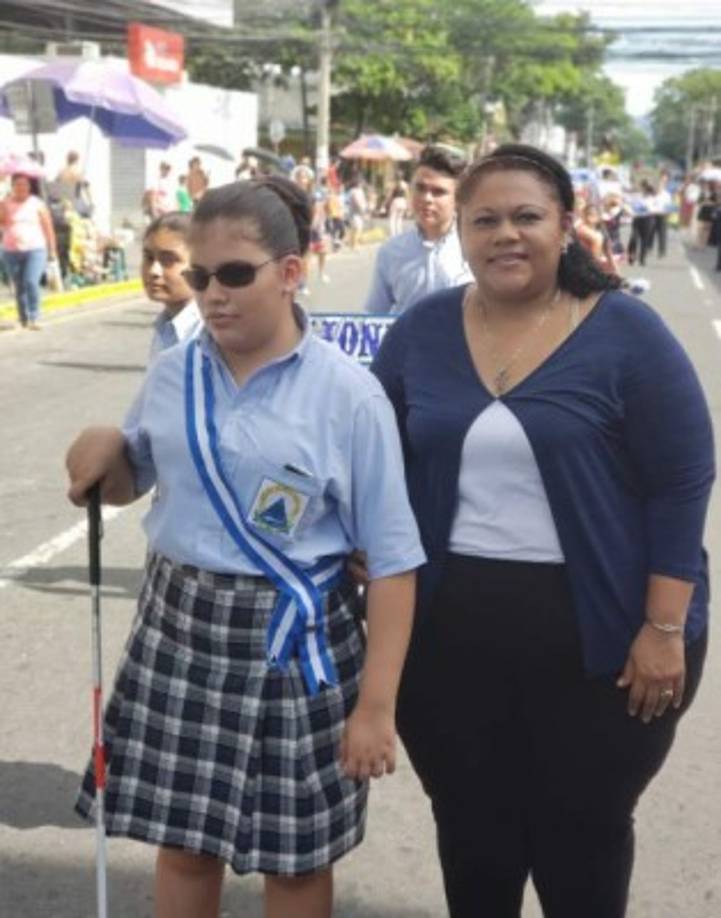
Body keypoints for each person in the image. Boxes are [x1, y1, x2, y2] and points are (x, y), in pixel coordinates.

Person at [65, 176, 425, 918]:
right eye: (201, 277)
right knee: (185, 846)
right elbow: (132, 476)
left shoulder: (348, 397)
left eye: (234, 274)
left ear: (290, 273)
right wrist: (102, 456)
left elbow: (392, 563)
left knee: (295, 862)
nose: (213, 294)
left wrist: (375, 709)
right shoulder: (172, 374)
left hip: (296, 644)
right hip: (181, 630)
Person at [370, 143, 714, 918]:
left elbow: (681, 480)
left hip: (607, 637)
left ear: (566, 224)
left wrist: (662, 626)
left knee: (580, 836)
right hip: (449, 639)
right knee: (470, 831)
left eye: (526, 216)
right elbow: (364, 451)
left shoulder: (626, 332)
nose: (505, 235)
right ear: (458, 231)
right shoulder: (421, 331)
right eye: (483, 219)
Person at [364, 145, 471, 315]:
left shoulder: (474, 250)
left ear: (457, 199)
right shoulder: (391, 252)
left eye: (438, 192)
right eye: (420, 188)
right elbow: (373, 317)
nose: (426, 198)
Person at [0, 172, 58, 330]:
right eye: (18, 185)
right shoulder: (5, 203)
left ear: (29, 187)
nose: (22, 188)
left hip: (35, 249)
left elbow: (48, 227)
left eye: (25, 185)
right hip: (11, 250)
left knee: (31, 281)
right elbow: (2, 223)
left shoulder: (37, 204)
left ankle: (34, 316)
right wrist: (4, 210)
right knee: (19, 285)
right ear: (12, 187)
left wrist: (52, 249)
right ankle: (23, 317)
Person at [140, 211, 201, 359]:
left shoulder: (206, 336)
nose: (154, 271)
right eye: (149, 258)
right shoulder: (166, 327)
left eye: (168, 260)